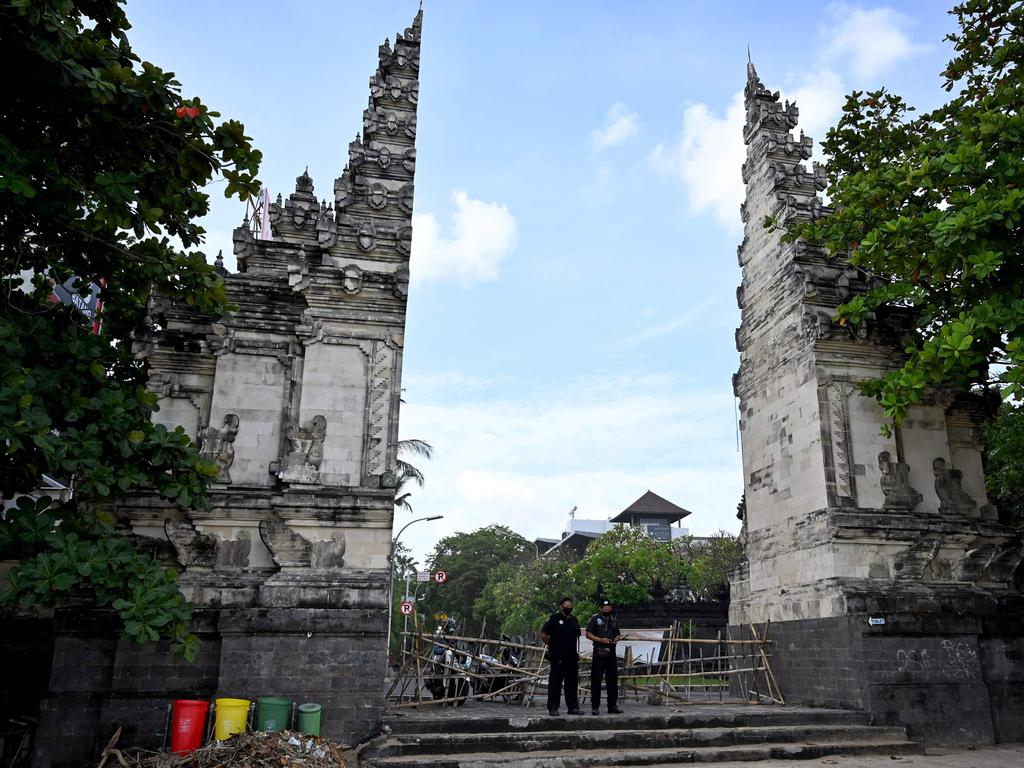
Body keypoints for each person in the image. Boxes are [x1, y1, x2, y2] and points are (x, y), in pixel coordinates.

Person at [540, 596, 583, 716]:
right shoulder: (554, 618)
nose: (568, 607)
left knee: (572, 683)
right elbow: (543, 633)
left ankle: (573, 707)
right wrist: (551, 645)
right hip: (558, 656)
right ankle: (553, 708)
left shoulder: (574, 619)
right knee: (555, 683)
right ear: (561, 606)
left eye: (570, 605)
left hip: (571, 656)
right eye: (566, 605)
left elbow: (577, 636)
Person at [586, 599, 623, 714]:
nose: (606, 608)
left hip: (611, 653)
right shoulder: (595, 618)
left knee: (612, 679)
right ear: (601, 608)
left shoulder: (614, 621)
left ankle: (612, 706)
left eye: (609, 607)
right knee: (596, 680)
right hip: (599, 652)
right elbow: (588, 634)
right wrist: (601, 640)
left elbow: (617, 634)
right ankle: (595, 707)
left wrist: (617, 639)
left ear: (611, 608)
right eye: (604, 607)